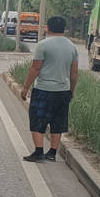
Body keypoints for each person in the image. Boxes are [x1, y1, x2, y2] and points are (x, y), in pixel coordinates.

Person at [20, 15, 78, 162]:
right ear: (64, 29)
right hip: (63, 91)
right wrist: (71, 91)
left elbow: (35, 68)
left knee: (37, 120)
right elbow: (74, 72)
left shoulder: (43, 45)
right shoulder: (72, 47)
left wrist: (25, 88)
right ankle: (52, 153)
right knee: (57, 122)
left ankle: (39, 152)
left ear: (47, 28)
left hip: (44, 90)